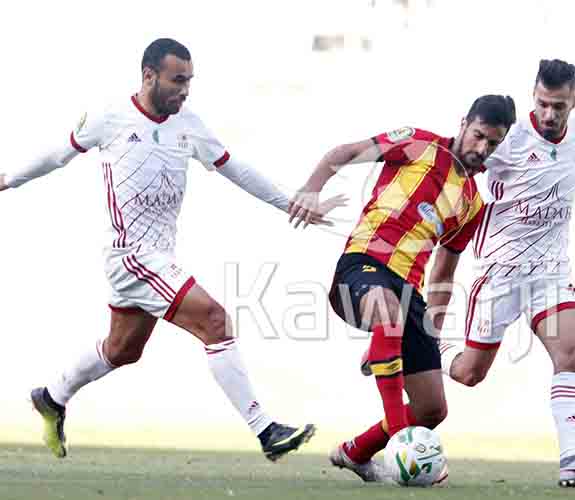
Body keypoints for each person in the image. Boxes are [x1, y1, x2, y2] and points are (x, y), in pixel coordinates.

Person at [0, 38, 340, 461]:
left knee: (122, 350)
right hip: (133, 257)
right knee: (215, 320)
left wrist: (291, 203)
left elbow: (236, 168)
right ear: (149, 76)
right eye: (178, 80)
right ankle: (266, 430)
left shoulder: (189, 125)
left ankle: (51, 396)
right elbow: (58, 154)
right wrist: (9, 178)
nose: (185, 89)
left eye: (189, 81)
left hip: (159, 258)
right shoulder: (111, 118)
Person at [437, 59, 575, 487]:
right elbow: (460, 159)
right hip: (500, 273)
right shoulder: (509, 140)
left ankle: (572, 457)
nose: (551, 114)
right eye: (543, 103)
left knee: (570, 353)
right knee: (469, 374)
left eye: (559, 105)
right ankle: (425, 349)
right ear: (533, 96)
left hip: (551, 273)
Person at [288, 95, 516, 481]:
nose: (481, 149)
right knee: (388, 311)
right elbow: (346, 152)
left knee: (432, 409)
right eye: (478, 136)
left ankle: (354, 453)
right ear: (463, 123)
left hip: (409, 294)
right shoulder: (418, 142)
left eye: (492, 144)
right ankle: (400, 440)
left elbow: (444, 272)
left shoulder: (473, 204)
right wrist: (311, 187)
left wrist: (432, 330)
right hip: (362, 264)